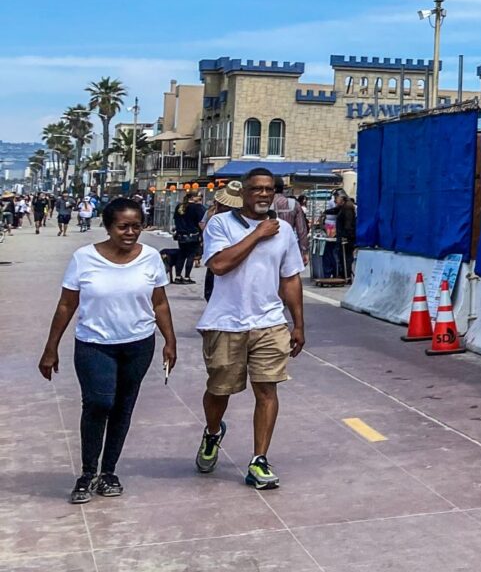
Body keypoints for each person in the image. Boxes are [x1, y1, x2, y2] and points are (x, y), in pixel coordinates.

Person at [38, 197, 177, 504]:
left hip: (138, 344)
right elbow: (66, 305)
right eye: (123, 226)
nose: (130, 233)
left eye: (136, 226)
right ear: (108, 226)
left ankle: (108, 472)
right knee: (99, 403)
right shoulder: (84, 258)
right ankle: (87, 472)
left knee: (123, 408)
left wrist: (170, 340)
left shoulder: (151, 258)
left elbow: (159, 303)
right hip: (94, 344)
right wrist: (51, 348)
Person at [195, 169, 305, 490]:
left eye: (269, 189)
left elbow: (290, 278)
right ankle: (213, 432)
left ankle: (259, 460)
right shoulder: (220, 224)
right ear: (243, 193)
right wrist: (257, 234)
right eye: (256, 189)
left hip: (269, 323)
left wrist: (298, 323)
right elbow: (219, 265)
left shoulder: (284, 231)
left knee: (267, 390)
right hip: (225, 322)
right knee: (219, 390)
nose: (264, 194)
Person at [170, 191, 206, 284]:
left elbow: (176, 220)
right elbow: (201, 222)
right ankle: (187, 277)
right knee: (191, 256)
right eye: (198, 196)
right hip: (193, 235)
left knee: (181, 255)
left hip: (181, 235)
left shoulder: (179, 207)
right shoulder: (197, 207)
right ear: (193, 197)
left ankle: (178, 276)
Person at [324, 191, 357, 280]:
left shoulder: (348, 207)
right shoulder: (343, 206)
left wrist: (345, 236)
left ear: (342, 198)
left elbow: (348, 224)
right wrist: (325, 212)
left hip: (347, 237)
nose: (335, 201)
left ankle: (346, 275)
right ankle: (344, 274)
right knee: (342, 257)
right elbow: (335, 210)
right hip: (343, 236)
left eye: (336, 198)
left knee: (346, 257)